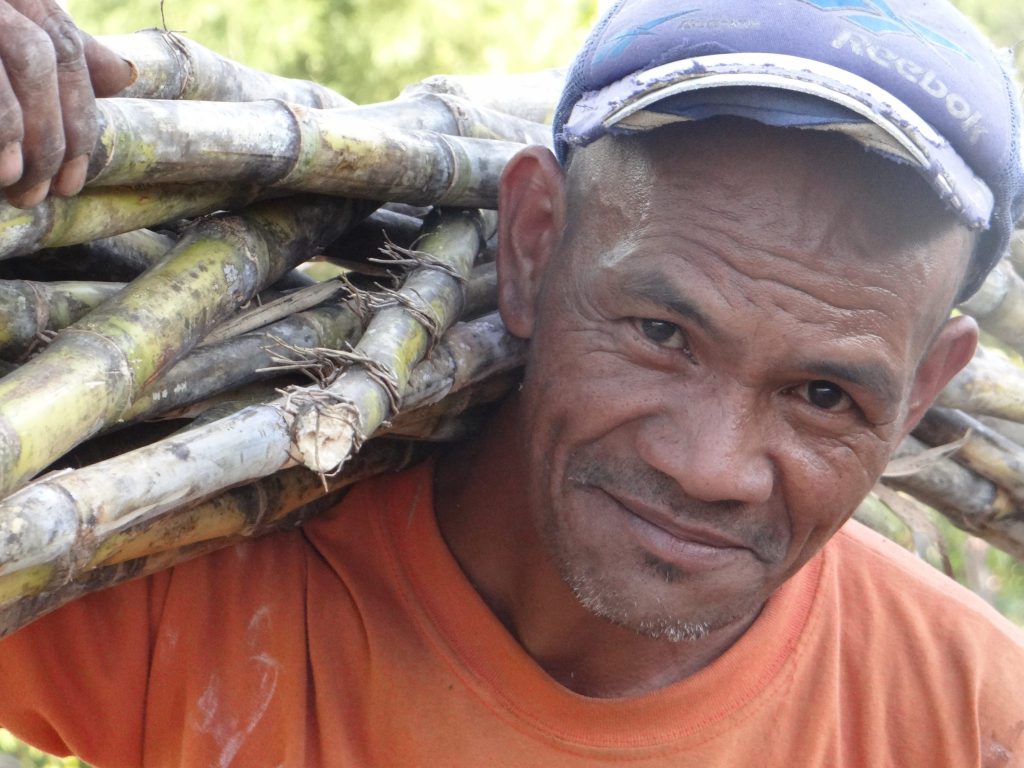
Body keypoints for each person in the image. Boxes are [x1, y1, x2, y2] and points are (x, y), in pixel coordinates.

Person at [1, 0, 1023, 765]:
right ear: (537, 246)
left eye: (822, 397)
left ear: (921, 393)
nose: (710, 466)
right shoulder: (177, 564)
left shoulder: (968, 718)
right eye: (661, 331)